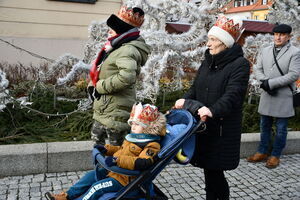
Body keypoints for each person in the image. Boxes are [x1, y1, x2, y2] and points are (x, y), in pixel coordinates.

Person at [174, 15, 250, 200]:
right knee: (209, 172)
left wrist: (212, 110)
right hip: (204, 126)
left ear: (224, 43)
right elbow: (195, 88)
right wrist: (182, 102)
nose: (208, 43)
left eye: (213, 39)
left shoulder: (240, 65)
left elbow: (233, 95)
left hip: (222, 129)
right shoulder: (208, 61)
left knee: (215, 172)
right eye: (209, 39)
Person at [45, 103, 166, 200]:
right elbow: (121, 150)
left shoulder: (151, 144)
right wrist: (107, 149)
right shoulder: (134, 137)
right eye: (132, 123)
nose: (133, 127)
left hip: (126, 179)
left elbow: (143, 162)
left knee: (97, 187)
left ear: (148, 126)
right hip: (115, 172)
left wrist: (117, 160)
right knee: (89, 177)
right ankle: (66, 196)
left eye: (138, 124)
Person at [88, 6, 151, 146]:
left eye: (111, 29)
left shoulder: (127, 50)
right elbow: (104, 70)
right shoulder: (116, 47)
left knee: (115, 156)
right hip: (105, 109)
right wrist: (92, 86)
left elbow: (126, 78)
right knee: (99, 151)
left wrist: (99, 86)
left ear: (120, 31)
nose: (108, 32)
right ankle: (101, 168)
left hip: (115, 112)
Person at [246, 24, 300, 168]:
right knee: (264, 125)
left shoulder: (295, 52)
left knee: (281, 128)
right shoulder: (265, 50)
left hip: (283, 96)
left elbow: (293, 74)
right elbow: (258, 68)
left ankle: (275, 155)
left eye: (282, 34)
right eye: (276, 34)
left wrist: (271, 83)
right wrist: (264, 82)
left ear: (289, 36)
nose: (278, 37)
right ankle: (262, 151)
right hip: (266, 93)